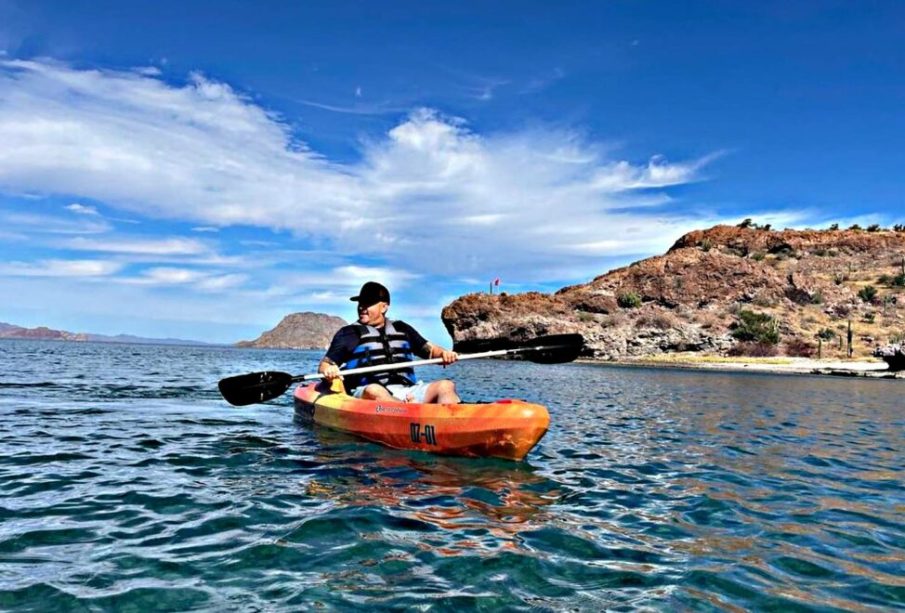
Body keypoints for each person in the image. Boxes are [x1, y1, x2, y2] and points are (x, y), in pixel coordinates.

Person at [318, 281, 461, 404]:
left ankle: (455, 424)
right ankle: (409, 411)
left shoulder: (402, 329)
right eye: (360, 303)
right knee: (375, 390)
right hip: (366, 394)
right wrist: (329, 370)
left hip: (406, 391)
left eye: (368, 303)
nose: (362, 307)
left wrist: (444, 353)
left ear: (384, 307)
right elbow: (324, 365)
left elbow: (430, 351)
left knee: (446, 386)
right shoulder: (348, 333)